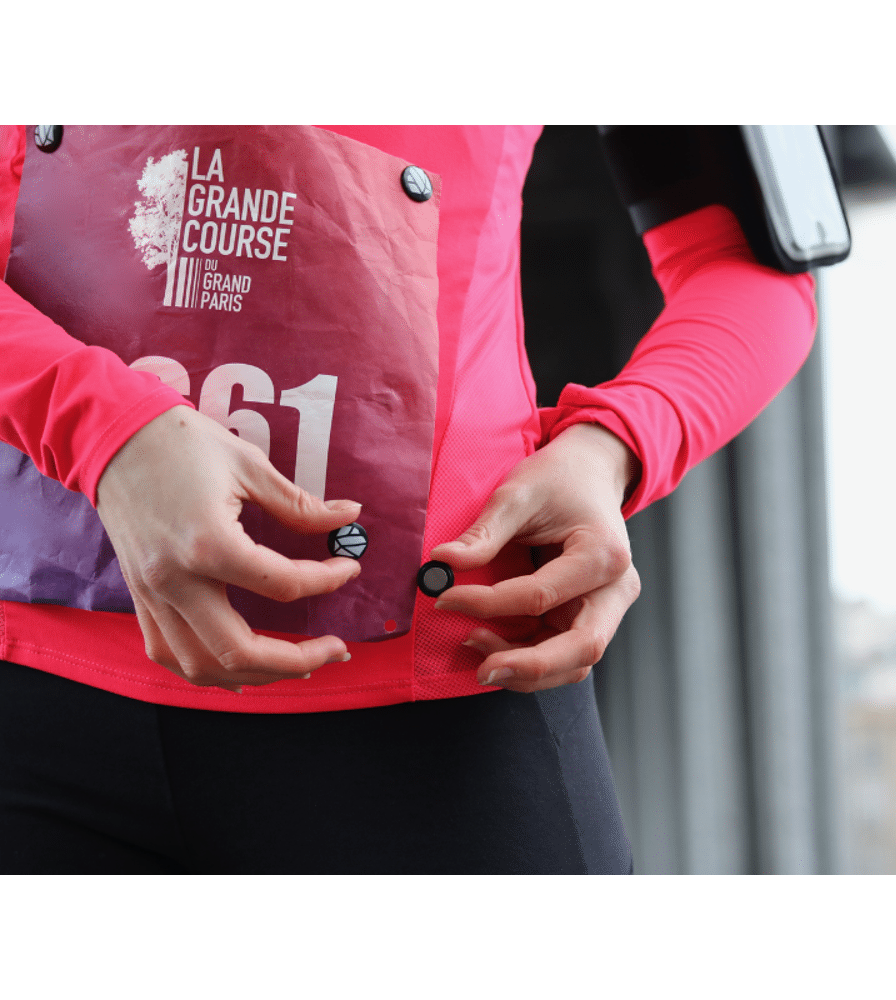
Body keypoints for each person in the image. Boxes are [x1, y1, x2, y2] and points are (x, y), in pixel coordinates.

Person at [0, 126, 816, 872]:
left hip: (451, 715)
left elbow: (756, 262)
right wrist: (102, 427)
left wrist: (618, 446)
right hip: (35, 706)